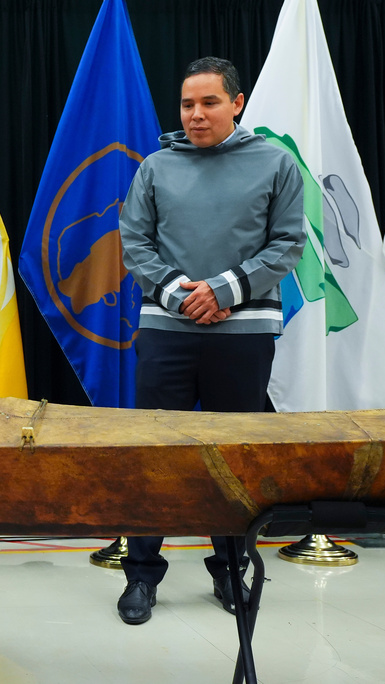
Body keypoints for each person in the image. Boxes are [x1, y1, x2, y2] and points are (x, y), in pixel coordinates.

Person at [116, 56, 305, 625]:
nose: (195, 115)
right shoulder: (155, 166)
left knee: (232, 461)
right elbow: (134, 241)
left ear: (237, 103)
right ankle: (141, 577)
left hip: (243, 334)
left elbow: (288, 244)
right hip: (166, 330)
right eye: (186, 104)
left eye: (209, 103)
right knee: (155, 458)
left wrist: (224, 291)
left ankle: (230, 571)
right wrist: (180, 294)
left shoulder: (277, 163)